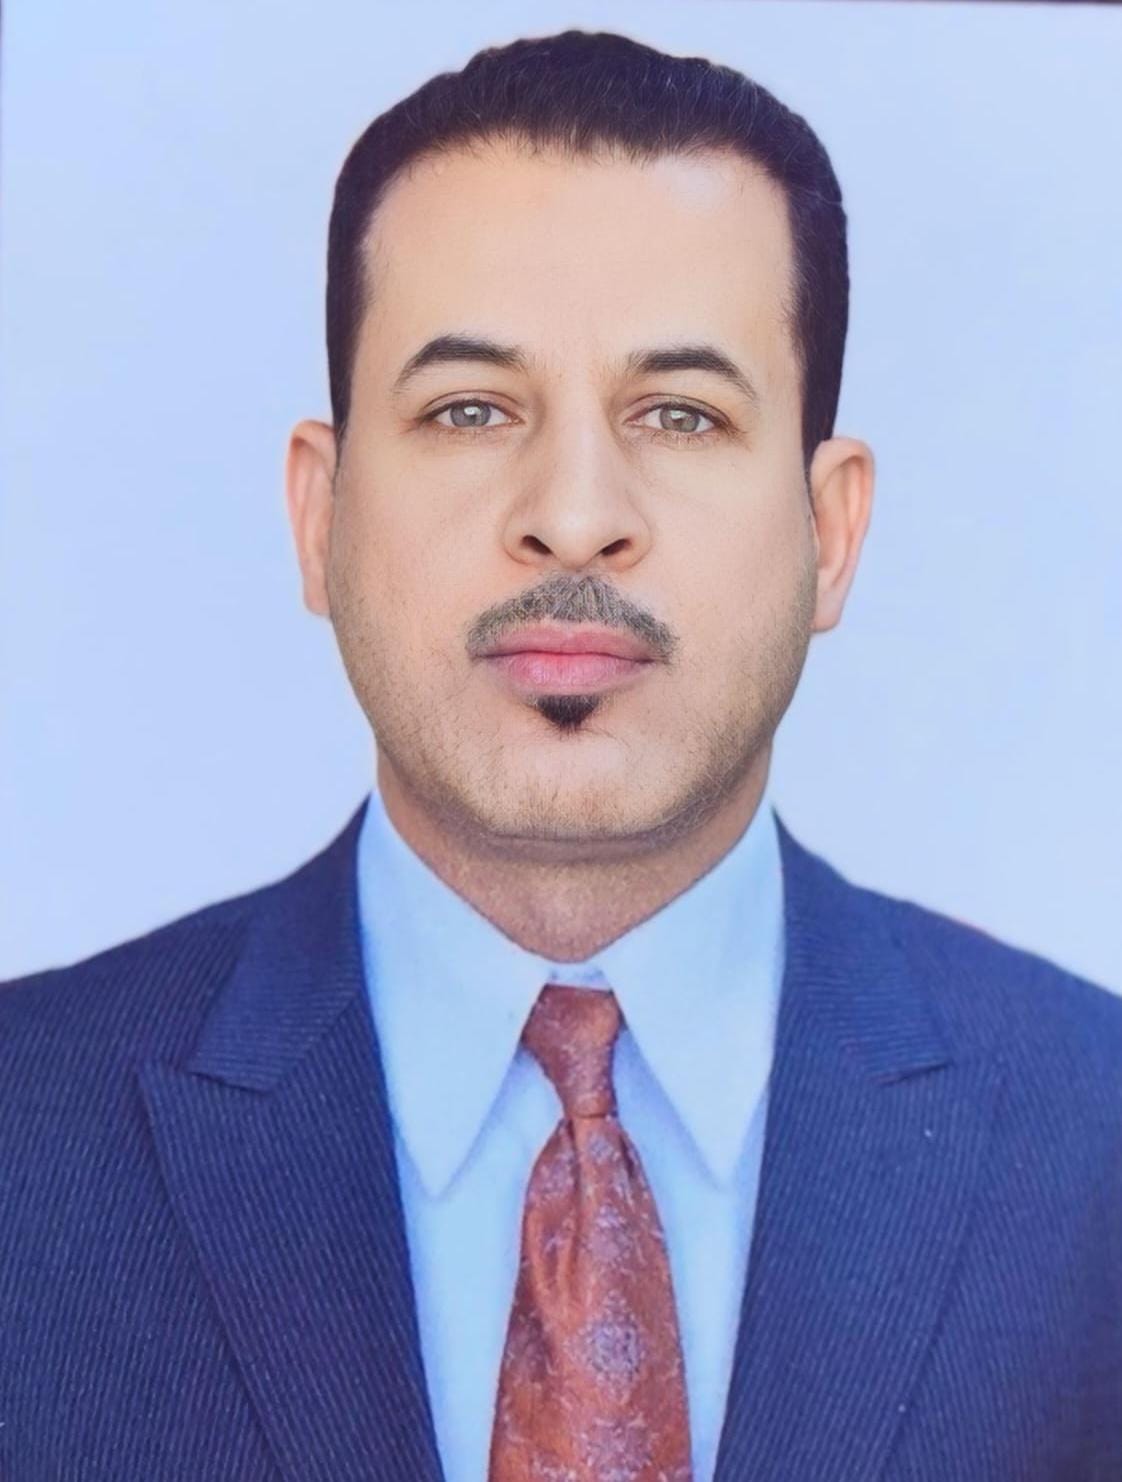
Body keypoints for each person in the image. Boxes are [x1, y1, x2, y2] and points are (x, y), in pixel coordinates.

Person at [1, 26, 1118, 1482]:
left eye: (680, 414)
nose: (575, 515)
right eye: (470, 409)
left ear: (831, 533)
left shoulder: (1095, 1142)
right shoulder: (23, 1137)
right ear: (320, 518)